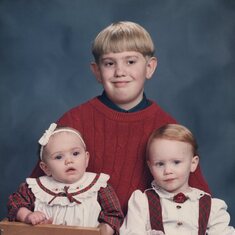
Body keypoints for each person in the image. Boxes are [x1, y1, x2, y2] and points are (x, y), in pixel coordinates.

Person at [30, 21, 210, 214]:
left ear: (149, 67)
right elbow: (34, 195)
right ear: (97, 71)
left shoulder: (167, 129)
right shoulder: (73, 123)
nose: (120, 72)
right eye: (109, 63)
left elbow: (199, 200)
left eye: (130, 62)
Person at [7, 123, 124, 235]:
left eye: (75, 153)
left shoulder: (98, 186)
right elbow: (15, 203)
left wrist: (104, 231)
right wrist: (27, 215)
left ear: (86, 159)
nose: (69, 161)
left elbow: (113, 215)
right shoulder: (36, 189)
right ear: (46, 168)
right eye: (59, 157)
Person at [120, 124, 235, 235]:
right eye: (160, 164)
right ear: (150, 167)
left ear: (193, 163)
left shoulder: (210, 207)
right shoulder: (142, 203)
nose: (168, 170)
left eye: (176, 162)